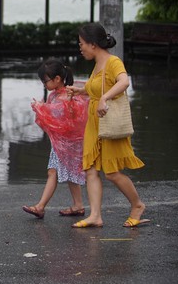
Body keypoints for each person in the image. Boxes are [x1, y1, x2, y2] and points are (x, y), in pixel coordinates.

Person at [66, 23, 149, 228]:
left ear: (93, 44)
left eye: (82, 44)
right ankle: (95, 215)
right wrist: (79, 90)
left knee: (111, 173)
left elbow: (124, 82)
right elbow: (95, 87)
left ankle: (137, 205)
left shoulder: (113, 62)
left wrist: (104, 98)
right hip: (95, 123)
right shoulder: (97, 64)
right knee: (91, 169)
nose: (80, 48)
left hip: (110, 123)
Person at [22, 59, 88, 219]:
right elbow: (50, 122)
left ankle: (40, 206)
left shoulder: (70, 96)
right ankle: (77, 205)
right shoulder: (53, 96)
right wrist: (41, 111)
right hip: (59, 143)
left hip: (70, 144)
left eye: (45, 81)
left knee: (56, 172)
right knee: (60, 172)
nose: (44, 84)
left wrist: (68, 106)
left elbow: (75, 121)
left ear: (57, 79)